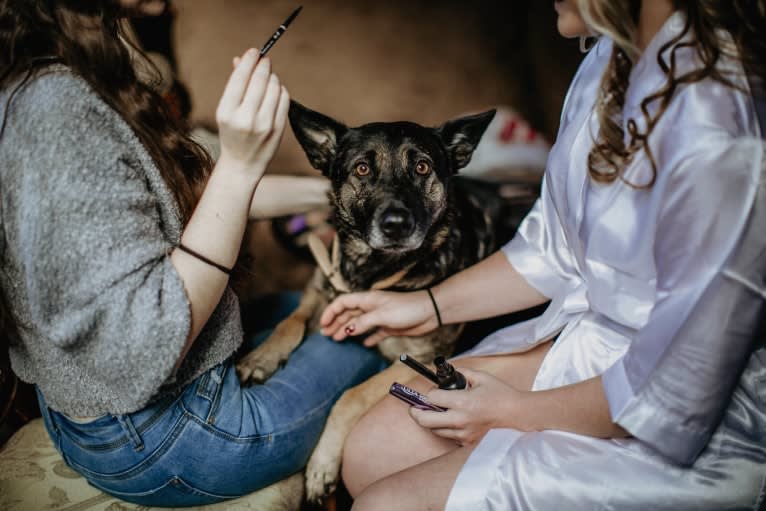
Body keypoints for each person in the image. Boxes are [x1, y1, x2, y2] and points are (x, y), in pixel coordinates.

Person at [319, 1, 766, 509]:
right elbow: (551, 252)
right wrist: (425, 305)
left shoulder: (718, 131)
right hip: (589, 341)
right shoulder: (606, 63)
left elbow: (678, 390)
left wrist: (513, 410)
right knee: (368, 451)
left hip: (672, 404)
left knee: (386, 503)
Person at [0, 0, 386, 507]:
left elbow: (185, 202)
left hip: (100, 413)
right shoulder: (56, 111)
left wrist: (333, 196)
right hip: (168, 439)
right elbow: (137, 352)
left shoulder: (72, 71)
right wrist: (241, 165)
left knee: (313, 308)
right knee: (384, 330)